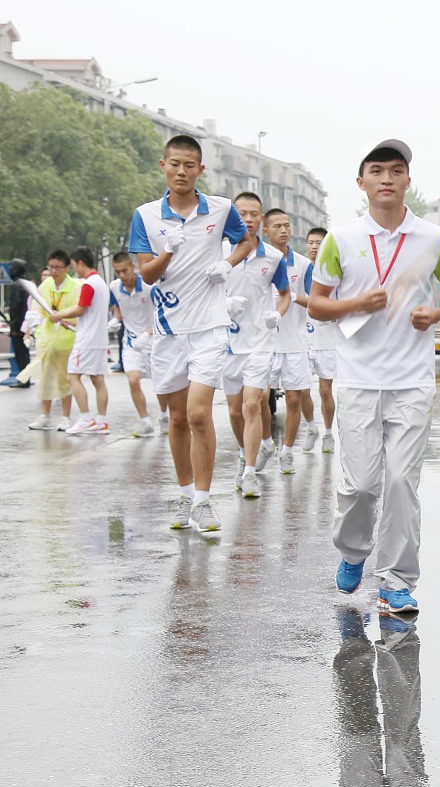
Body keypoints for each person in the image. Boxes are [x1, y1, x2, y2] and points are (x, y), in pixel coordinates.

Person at [309, 138, 440, 616]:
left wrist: (435, 314)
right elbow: (317, 305)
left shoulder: (433, 239)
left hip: (412, 380)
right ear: (361, 182)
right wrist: (358, 303)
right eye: (377, 171)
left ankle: (396, 581)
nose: (386, 179)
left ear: (407, 181)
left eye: (396, 171)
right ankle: (353, 550)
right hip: (357, 379)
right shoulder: (340, 240)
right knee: (360, 485)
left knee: (401, 482)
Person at [128, 134, 255, 533]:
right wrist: (168, 250)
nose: (181, 172)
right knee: (178, 419)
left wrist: (228, 264)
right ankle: (185, 495)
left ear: (200, 169)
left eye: (189, 165)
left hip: (209, 327)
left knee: (200, 413)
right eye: (174, 164)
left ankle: (203, 500)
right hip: (169, 330)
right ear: (163, 166)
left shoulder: (220, 208)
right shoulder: (145, 215)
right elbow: (147, 274)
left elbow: (246, 241)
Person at [223, 192, 291, 499]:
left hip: (260, 342)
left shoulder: (273, 257)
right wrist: (225, 305)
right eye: (242, 214)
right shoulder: (220, 252)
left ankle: (250, 472)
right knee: (235, 410)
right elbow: (201, 291)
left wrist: (277, 314)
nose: (248, 219)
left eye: (254, 214)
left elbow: (285, 294)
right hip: (227, 341)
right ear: (233, 217)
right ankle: (243, 454)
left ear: (261, 218)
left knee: (252, 403)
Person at [264, 208, 315, 473]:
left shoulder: (303, 264)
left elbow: (315, 301)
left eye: (287, 225)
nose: (284, 230)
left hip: (294, 342)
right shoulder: (257, 260)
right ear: (266, 231)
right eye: (277, 226)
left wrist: (294, 297)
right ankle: (264, 444)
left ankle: (286, 452)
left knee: (294, 399)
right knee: (259, 399)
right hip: (264, 343)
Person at [50, 247, 111, 435]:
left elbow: (80, 309)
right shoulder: (101, 283)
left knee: (72, 377)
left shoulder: (88, 284)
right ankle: (101, 421)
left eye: (74, 265)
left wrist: (59, 314)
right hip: (99, 339)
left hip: (86, 341)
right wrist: (66, 321)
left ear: (80, 263)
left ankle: (86, 419)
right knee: (98, 379)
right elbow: (89, 314)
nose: (74, 269)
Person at [109, 252, 167, 437]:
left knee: (160, 384)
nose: (122, 275)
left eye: (124, 270)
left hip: (153, 340)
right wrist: (116, 319)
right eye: (117, 272)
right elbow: (117, 308)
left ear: (132, 267)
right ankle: (145, 422)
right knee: (133, 380)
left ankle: (164, 415)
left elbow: (161, 313)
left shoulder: (150, 287)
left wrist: (147, 334)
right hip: (131, 342)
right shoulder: (114, 287)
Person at [26, 251, 79, 431]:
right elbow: (37, 307)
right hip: (47, 338)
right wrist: (33, 318)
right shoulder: (45, 285)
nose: (54, 271)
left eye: (57, 267)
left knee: (65, 378)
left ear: (67, 267)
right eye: (51, 267)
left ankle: (66, 417)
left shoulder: (75, 286)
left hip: (67, 339)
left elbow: (79, 310)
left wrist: (64, 318)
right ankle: (45, 415)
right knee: (46, 377)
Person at [300, 226, 336, 453]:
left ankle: (328, 433)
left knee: (325, 390)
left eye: (319, 243)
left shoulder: (333, 271)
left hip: (326, 339)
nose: (314, 247)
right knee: (301, 389)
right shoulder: (300, 269)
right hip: (303, 338)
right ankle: (312, 427)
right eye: (311, 243)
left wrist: (297, 299)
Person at [4, 258, 32, 387]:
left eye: (11, 268)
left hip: (18, 327)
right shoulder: (25, 285)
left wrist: (14, 328)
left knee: (21, 354)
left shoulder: (17, 286)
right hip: (25, 325)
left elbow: (15, 308)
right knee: (24, 354)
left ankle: (23, 380)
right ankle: (25, 379)